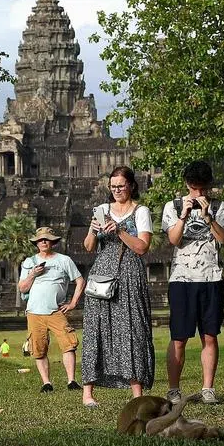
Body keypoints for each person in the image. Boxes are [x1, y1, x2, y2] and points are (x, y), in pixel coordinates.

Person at [81, 165, 156, 408]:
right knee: (96, 329)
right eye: (113, 187)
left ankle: (137, 393)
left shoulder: (141, 211)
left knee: (132, 329)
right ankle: (88, 393)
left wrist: (120, 230)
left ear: (131, 186)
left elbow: (142, 247)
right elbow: (89, 247)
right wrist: (93, 230)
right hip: (102, 274)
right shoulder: (102, 209)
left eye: (121, 186)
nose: (117, 191)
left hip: (130, 274)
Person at [162, 160, 224, 405]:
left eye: (202, 189)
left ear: (209, 186)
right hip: (181, 279)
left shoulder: (221, 207)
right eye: (194, 188)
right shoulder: (173, 206)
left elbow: (223, 239)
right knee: (179, 337)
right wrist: (184, 215)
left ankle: (208, 389)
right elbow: (173, 239)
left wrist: (208, 217)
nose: (198, 193)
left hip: (211, 277)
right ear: (187, 184)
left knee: (210, 336)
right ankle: (173, 389)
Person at [18, 227, 85, 393]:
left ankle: (71, 381)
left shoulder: (64, 260)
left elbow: (80, 281)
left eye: (47, 239)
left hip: (56, 310)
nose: (43, 242)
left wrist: (73, 303)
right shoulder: (29, 262)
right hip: (34, 311)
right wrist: (33, 274)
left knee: (69, 344)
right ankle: (46, 383)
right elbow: (22, 288)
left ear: (53, 242)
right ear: (36, 243)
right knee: (38, 348)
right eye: (40, 240)